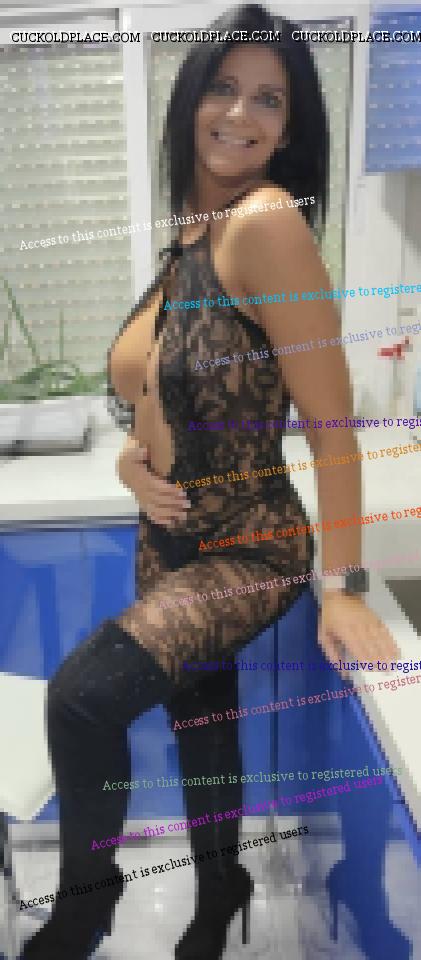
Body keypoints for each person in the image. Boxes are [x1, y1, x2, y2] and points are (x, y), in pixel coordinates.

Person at [19, 4, 408, 959]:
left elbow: (331, 427)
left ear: (290, 127)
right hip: (170, 533)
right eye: (224, 87)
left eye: (269, 99)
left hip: (250, 543)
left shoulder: (267, 223)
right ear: (189, 99)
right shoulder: (187, 243)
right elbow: (152, 389)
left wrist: (342, 585)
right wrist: (130, 460)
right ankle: (221, 887)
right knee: (201, 721)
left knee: (81, 699)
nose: (241, 113)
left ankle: (82, 913)